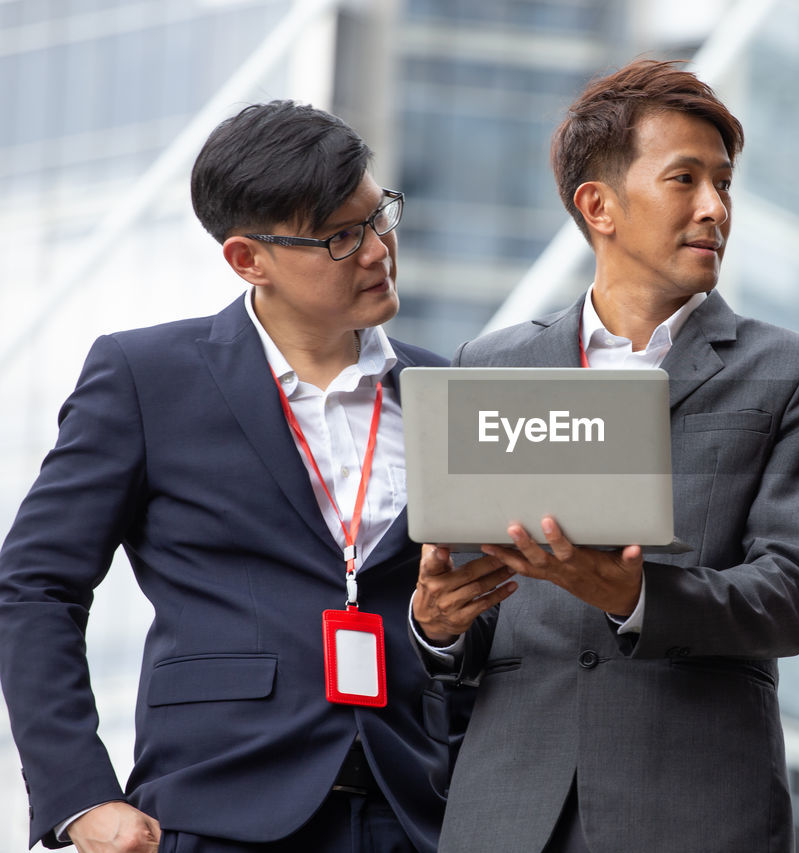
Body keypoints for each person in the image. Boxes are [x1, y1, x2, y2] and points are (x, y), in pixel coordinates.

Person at [0, 100, 466, 853]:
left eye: (381, 216)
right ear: (249, 259)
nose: (379, 250)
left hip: (416, 811)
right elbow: (33, 586)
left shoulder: (448, 389)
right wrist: (80, 794)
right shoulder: (144, 378)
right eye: (343, 237)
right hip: (219, 811)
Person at [410, 59, 799, 852]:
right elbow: (477, 603)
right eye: (684, 179)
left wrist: (635, 593)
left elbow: (789, 594)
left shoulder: (793, 373)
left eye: (723, 183)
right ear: (598, 205)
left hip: (696, 808)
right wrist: (436, 625)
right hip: (508, 812)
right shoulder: (490, 366)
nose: (715, 208)